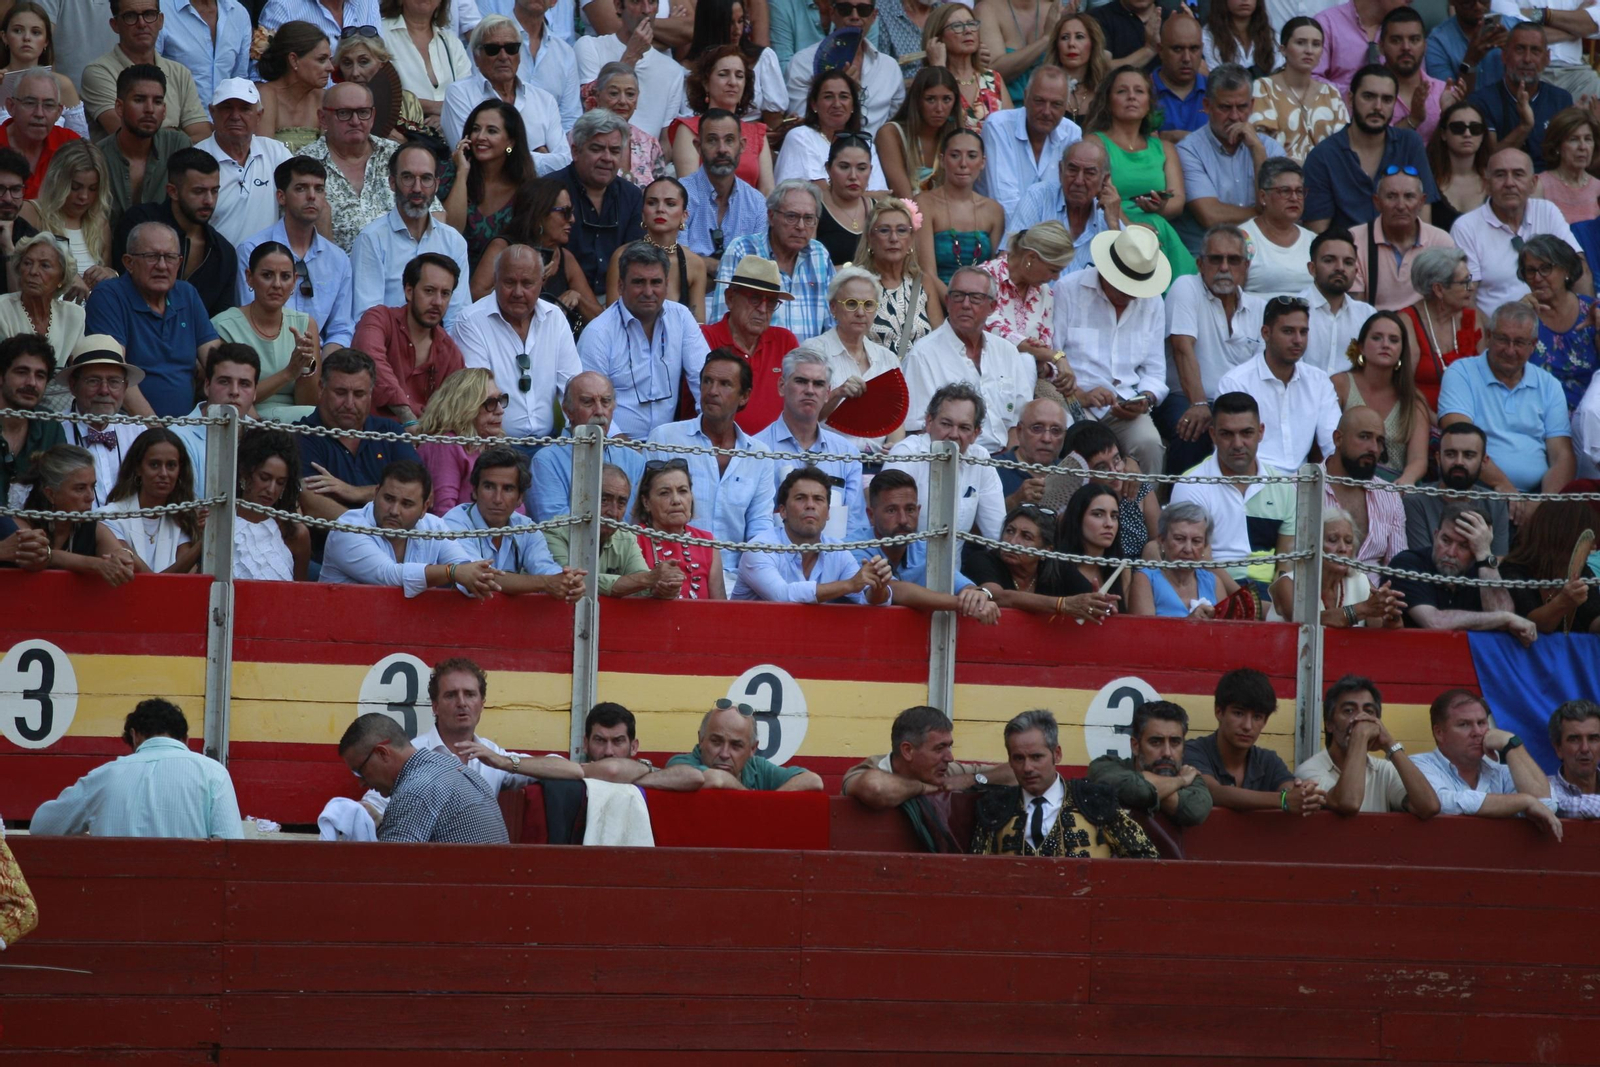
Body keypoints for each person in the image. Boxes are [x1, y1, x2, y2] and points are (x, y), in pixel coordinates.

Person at [644, 353, 776, 593]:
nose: (712, 391)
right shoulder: (665, 438)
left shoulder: (760, 455)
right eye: (707, 381)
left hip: (739, 580)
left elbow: (760, 529)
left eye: (725, 384)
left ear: (744, 396)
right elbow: (643, 513)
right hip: (673, 573)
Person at [29, 698, 241, 838]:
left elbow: (42, 827)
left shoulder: (106, 776)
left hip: (116, 899)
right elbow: (231, 847)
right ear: (185, 739)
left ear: (134, 735)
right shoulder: (213, 773)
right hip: (190, 899)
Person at [1054, 225, 1169, 477]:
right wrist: (1079, 393)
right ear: (1106, 271)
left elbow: (1156, 372)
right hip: (1075, 401)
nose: (1128, 294)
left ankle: (1142, 515)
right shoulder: (1068, 290)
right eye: (1122, 285)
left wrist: (1145, 399)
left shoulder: (1153, 302)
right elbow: (1053, 355)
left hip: (1126, 404)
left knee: (1150, 445)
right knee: (1081, 446)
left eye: (1133, 288)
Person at [969, 708, 1158, 858]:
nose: (1027, 767)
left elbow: (1145, 858)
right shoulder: (995, 808)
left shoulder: (1094, 800)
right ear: (1009, 760)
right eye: (1018, 758)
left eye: (1036, 757)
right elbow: (976, 872)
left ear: (1057, 754)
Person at [1159, 223, 1267, 475]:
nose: (1225, 267)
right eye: (1216, 259)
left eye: (1234, 260)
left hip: (1239, 404)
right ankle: (1181, 506)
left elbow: (1261, 369)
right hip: (1185, 397)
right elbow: (1182, 349)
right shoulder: (1186, 287)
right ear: (1200, 264)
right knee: (1193, 430)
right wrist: (1198, 403)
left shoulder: (1259, 308)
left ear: (1246, 267)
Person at [455, 244, 584, 453]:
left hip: (550, 445)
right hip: (493, 447)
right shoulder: (470, 321)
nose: (518, 292)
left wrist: (574, 444)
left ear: (542, 283)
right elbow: (478, 398)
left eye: (527, 283)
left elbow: (573, 388)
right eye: (509, 282)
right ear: (495, 280)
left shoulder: (555, 318)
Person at [1439, 301, 1575, 496]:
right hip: (1476, 490)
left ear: (1533, 345)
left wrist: (1541, 505)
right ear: (1488, 336)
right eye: (1502, 339)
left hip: (1536, 496)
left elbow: (1562, 456)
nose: (1510, 350)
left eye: (1519, 342)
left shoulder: (1549, 385)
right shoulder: (1461, 373)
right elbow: (1459, 440)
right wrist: (1506, 488)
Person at [84, 220, 219, 416]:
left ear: (179, 263)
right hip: (130, 426)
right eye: (152, 257)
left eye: (170, 257)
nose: (162, 266)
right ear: (128, 263)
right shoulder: (110, 296)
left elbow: (219, 362)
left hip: (186, 428)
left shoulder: (187, 294)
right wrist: (156, 429)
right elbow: (115, 372)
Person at [1171, 390, 1297, 599]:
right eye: (1227, 434)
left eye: (1246, 433)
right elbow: (1199, 560)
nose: (1237, 444)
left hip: (1270, 592)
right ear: (1212, 435)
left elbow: (1285, 561)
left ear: (1261, 432)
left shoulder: (1283, 486)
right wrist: (1248, 602)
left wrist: (1278, 602)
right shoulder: (1191, 484)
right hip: (1211, 588)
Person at [901, 264, 1034, 456]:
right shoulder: (922, 355)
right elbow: (919, 429)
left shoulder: (1007, 351)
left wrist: (1009, 462)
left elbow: (1020, 421)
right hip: (951, 460)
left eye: (976, 298)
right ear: (947, 301)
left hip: (1006, 460)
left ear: (992, 307)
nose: (965, 304)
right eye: (958, 296)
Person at [580, 242, 710, 438]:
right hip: (612, 446)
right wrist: (624, 448)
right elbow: (588, 405)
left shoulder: (681, 318)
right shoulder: (598, 333)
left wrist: (706, 434)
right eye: (639, 282)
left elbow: (705, 382)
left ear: (667, 285)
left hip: (667, 446)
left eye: (656, 282)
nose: (648, 292)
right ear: (621, 286)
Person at [320, 458, 503, 596]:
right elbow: (389, 576)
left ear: (424, 508)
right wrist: (452, 572)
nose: (394, 511)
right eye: (388, 499)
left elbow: (464, 567)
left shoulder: (433, 526)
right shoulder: (348, 528)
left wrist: (473, 577)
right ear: (376, 494)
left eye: (406, 504)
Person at [1085, 65, 1197, 281]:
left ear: (1149, 103)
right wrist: (1130, 226)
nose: (1131, 97)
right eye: (1122, 91)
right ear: (1108, 101)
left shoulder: (1164, 148)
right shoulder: (1095, 143)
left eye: (1139, 91)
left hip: (1156, 228)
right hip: (1110, 226)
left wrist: (1161, 206)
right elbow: (1098, 196)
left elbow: (1178, 201)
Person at [235, 156, 355, 352]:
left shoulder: (338, 259)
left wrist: (321, 370)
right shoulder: (251, 250)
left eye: (319, 189)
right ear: (281, 197)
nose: (311, 196)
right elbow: (249, 322)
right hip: (266, 357)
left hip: (320, 361)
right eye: (301, 188)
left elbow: (340, 329)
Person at [348, 148, 469, 338]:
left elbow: (458, 318)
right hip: (388, 349)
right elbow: (368, 320)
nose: (417, 189)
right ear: (392, 182)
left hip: (439, 352)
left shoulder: (453, 242)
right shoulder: (372, 239)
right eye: (408, 177)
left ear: (436, 184)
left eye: (426, 179)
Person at [853, 468, 1001, 623]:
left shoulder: (926, 548)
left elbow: (962, 585)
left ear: (918, 511)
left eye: (910, 509)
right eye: (891, 510)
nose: (903, 520)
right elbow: (894, 590)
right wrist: (963, 604)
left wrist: (977, 594)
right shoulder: (853, 547)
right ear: (871, 516)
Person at [338, 711, 510, 844]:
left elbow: (389, 873)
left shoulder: (414, 792)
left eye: (359, 771)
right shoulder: (449, 767)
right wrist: (381, 823)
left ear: (382, 753)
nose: (361, 783)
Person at [1303, 64, 1437, 234]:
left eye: (1387, 99)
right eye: (1368, 97)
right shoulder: (1323, 156)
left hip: (1404, 255)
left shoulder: (1410, 144)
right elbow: (1318, 237)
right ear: (1350, 99)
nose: (1378, 107)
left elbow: (1424, 225)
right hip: (1348, 256)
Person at [441, 446, 587, 600]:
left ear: (520, 498)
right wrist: (546, 582)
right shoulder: (454, 523)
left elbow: (545, 567)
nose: (497, 499)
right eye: (489, 487)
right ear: (475, 491)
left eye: (508, 489)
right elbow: (480, 577)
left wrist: (568, 582)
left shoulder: (526, 527)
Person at [295, 348, 421, 525]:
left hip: (395, 542)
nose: (349, 403)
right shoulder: (302, 435)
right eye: (340, 392)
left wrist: (354, 492)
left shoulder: (390, 431)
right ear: (321, 389)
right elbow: (312, 504)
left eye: (359, 394)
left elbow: (422, 493)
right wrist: (368, 533)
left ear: (371, 394)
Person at [1412, 688, 1562, 837]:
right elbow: (1441, 802)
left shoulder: (1501, 772)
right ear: (1439, 733)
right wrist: (1524, 801)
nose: (1477, 732)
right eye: (1464, 724)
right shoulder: (1418, 766)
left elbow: (1546, 804)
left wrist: (1512, 745)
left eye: (1482, 723)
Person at [111, 146, 238, 322]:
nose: (209, 200)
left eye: (214, 191)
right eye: (198, 191)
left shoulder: (223, 253)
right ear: (172, 191)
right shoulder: (139, 223)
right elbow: (121, 284)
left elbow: (221, 321)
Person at [1216, 293, 1339, 472]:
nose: (1298, 340)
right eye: (1288, 331)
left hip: (1303, 486)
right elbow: (1230, 453)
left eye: (1303, 332)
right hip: (1253, 483)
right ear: (1266, 333)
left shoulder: (1318, 381)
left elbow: (1334, 445)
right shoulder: (1235, 383)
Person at [732, 465, 890, 604]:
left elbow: (867, 598)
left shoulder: (838, 552)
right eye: (800, 498)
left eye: (818, 499)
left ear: (828, 512)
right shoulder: (759, 548)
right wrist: (849, 585)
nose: (810, 505)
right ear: (782, 511)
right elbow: (783, 596)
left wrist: (878, 587)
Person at [1450, 148, 1581, 315]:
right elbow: (1468, 295)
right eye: (1500, 175)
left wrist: (1583, 318)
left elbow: (1578, 264)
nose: (1509, 183)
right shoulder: (1466, 228)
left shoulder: (1547, 212)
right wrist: (1500, 328)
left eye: (1518, 174)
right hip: (1499, 333)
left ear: (1533, 183)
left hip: (1554, 322)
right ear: (1486, 184)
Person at [1387, 501, 1539, 644]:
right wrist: (1503, 618)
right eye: (1445, 540)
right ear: (1435, 535)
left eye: (1464, 546)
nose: (1451, 553)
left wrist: (1485, 555)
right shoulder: (1408, 563)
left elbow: (1506, 617)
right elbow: (1434, 622)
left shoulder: (1482, 570)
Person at [1175, 64, 1286, 255]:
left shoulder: (1269, 147)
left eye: (1242, 107)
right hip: (1208, 254)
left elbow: (1282, 206)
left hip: (1265, 251)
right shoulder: (1188, 150)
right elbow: (1211, 215)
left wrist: (1258, 151)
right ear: (1207, 106)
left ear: (1251, 105)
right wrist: (1266, 214)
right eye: (1225, 107)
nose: (1235, 116)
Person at [708, 180, 836, 343]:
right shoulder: (743, 250)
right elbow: (722, 321)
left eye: (809, 218)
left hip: (812, 363)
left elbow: (833, 323)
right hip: (757, 362)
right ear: (771, 216)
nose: (801, 226)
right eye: (792, 217)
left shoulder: (820, 255)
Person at [300, 81, 422, 252]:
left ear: (372, 116)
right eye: (344, 113)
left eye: (363, 112)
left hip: (402, 269)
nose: (355, 121)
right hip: (339, 273)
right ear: (323, 118)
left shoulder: (397, 156)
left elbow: (435, 214)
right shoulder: (304, 164)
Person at [1294, 675, 1439, 816]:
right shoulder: (1309, 770)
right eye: (1349, 711)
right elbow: (1348, 803)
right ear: (1330, 724)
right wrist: (1359, 738)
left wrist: (1390, 744)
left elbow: (1429, 806)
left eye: (1369, 712)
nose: (1360, 718)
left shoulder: (1384, 770)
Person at [1185, 667, 1323, 814]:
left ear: (1265, 721)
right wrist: (1283, 800)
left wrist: (1303, 794)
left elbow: (1288, 789)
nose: (1247, 726)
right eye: (1238, 713)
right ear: (1219, 712)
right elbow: (1214, 792)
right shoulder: (1193, 751)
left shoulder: (1268, 760)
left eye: (1257, 717)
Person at [439, 17, 566, 175]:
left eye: (511, 48)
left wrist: (504, 153)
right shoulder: (459, 94)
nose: (503, 56)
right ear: (476, 56)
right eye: (493, 49)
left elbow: (564, 162)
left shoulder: (544, 100)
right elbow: (471, 157)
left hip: (539, 196)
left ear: (519, 55)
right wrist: (535, 155)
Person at [884, 382, 1007, 540]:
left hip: (954, 565)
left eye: (964, 427)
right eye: (946, 424)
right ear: (929, 422)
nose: (954, 434)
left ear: (976, 433)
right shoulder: (906, 453)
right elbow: (891, 528)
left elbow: (996, 533)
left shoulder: (980, 458)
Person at [214, 241, 322, 420]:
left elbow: (308, 404)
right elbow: (231, 397)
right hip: (244, 417)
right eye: (267, 275)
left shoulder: (305, 325)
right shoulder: (225, 326)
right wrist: (288, 373)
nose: (277, 284)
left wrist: (304, 368)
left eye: (285, 276)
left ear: (295, 281)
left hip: (297, 419)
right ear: (249, 277)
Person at [354, 252, 464, 426]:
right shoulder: (379, 318)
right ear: (409, 291)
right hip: (366, 436)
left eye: (445, 294)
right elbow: (370, 362)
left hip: (422, 445)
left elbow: (454, 410)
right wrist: (407, 416)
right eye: (429, 291)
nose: (437, 302)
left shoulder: (450, 352)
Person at [796, 265, 900, 447]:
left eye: (868, 305)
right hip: (827, 460)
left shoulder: (888, 358)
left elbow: (896, 416)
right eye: (851, 304)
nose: (860, 313)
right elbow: (802, 416)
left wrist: (894, 447)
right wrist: (837, 394)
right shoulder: (813, 350)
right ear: (833, 308)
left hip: (879, 464)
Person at [545, 461, 684, 597]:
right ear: (582, 498)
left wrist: (664, 588)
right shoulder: (555, 531)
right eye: (604, 499)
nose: (613, 511)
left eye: (621, 503)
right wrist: (648, 580)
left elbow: (644, 585)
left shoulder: (626, 537)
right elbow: (570, 581)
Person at [960, 503, 1118, 621]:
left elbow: (1085, 600)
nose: (1012, 542)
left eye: (1026, 536)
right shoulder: (983, 560)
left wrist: (1101, 605)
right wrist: (1062, 605)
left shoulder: (1058, 569)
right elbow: (996, 596)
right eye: (1010, 531)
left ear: (1046, 551)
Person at [80, 0, 210, 141]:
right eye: (130, 16)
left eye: (149, 14)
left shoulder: (180, 73)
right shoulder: (98, 73)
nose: (141, 23)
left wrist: (162, 137)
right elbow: (128, 138)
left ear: (160, 20)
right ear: (115, 24)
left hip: (178, 163)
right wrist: (178, 134)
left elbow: (202, 135)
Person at [473, 176, 602, 317]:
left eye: (571, 212)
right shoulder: (502, 248)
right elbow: (474, 298)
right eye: (564, 212)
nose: (572, 219)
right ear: (540, 215)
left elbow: (600, 319)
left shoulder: (564, 257)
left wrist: (578, 298)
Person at [525, 371, 645, 521]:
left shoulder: (634, 460)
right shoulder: (546, 461)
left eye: (606, 401)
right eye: (588, 402)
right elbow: (554, 526)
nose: (599, 411)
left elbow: (637, 522)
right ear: (568, 411)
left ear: (613, 407)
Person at [12, 442, 137, 585]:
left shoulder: (95, 529)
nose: (91, 497)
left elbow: (120, 560)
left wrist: (124, 556)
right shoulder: (21, 526)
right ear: (51, 494)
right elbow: (39, 557)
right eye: (80, 489)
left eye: (93, 486)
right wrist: (96, 564)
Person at [702, 254, 801, 433]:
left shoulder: (785, 341)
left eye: (771, 302)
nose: (763, 309)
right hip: (712, 447)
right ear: (730, 298)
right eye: (755, 298)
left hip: (775, 454)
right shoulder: (704, 338)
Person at [842, 705, 1009, 809]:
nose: (950, 757)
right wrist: (923, 788)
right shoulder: (870, 769)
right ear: (908, 751)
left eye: (949, 746)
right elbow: (875, 788)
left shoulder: (948, 771)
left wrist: (971, 779)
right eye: (939, 748)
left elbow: (1016, 773)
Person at [555, 108, 646, 298]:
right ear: (575, 151)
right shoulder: (550, 191)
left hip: (618, 298)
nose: (607, 158)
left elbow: (634, 260)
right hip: (560, 298)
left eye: (614, 151)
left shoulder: (632, 196)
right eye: (597, 149)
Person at [1331, 310, 1430, 482]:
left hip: (1393, 488)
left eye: (1394, 340)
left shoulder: (1413, 400)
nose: (1385, 345)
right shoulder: (1340, 385)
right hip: (1343, 481)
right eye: (1377, 338)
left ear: (1401, 350)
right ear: (1361, 346)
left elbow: (1418, 459)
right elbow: (1326, 444)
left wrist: (1407, 480)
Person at [574, 0, 690, 143]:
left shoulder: (672, 70)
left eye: (652, 2)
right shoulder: (590, 47)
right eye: (636, 2)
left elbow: (666, 141)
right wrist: (631, 55)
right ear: (618, 6)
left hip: (650, 161)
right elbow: (591, 111)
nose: (646, 10)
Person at [1465, 22, 1573, 174]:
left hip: (1551, 185)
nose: (1527, 59)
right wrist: (1524, 127)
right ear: (1504, 55)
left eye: (1535, 51)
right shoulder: (1482, 101)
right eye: (1520, 49)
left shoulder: (1561, 100)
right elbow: (1488, 162)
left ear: (1547, 58)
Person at [977, 221, 1074, 388]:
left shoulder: (1045, 293)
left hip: (1030, 383)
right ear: (1030, 258)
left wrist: (1043, 362)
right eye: (1053, 270)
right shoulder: (983, 278)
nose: (1057, 278)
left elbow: (1046, 349)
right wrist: (1054, 356)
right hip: (985, 376)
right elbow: (994, 331)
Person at [1088, 699, 1213, 826]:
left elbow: (1196, 811)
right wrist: (1181, 780)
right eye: (1156, 742)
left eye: (1175, 742)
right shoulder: (1106, 766)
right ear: (1135, 746)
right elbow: (1134, 789)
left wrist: (1141, 789)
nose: (1167, 753)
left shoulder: (1192, 776)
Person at [96, 65, 193, 227]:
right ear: (119, 107)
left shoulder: (178, 145)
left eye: (157, 101)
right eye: (139, 100)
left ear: (164, 110)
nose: (149, 109)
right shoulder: (98, 157)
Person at [913, 126, 1008, 294]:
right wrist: (955, 306)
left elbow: (995, 272)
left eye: (972, 156)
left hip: (980, 303)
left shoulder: (994, 210)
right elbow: (927, 273)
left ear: (983, 162)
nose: (963, 164)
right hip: (933, 299)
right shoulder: (924, 204)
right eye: (955, 155)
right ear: (942, 160)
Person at [1006, 137, 1122, 273]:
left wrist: (1114, 224)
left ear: (1105, 179)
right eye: (1072, 170)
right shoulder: (1038, 197)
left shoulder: (1107, 216)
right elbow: (1011, 259)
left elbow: (1125, 277)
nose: (1079, 181)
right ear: (1060, 171)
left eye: (1089, 173)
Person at [976, 67, 1077, 222]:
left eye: (1056, 104)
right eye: (1039, 101)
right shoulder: (998, 126)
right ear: (1025, 97)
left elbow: (1071, 201)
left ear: (1066, 106)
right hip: (1003, 237)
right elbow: (1005, 203)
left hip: (1053, 238)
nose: (1046, 111)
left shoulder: (1072, 133)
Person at [51, 337, 144, 506]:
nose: (104, 390)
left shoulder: (137, 432)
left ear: (125, 387)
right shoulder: (55, 431)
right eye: (93, 381)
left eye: (114, 382)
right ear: (73, 385)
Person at [669, 44, 774, 193]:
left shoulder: (757, 133)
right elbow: (689, 190)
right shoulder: (688, 129)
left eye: (739, 76)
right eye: (723, 74)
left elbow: (768, 191)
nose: (732, 82)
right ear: (706, 83)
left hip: (751, 214)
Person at [1350, 167, 1455, 313]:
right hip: (1375, 330)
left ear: (1421, 202)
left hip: (1425, 331)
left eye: (1409, 196)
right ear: (1377, 202)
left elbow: (1458, 294)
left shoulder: (1441, 242)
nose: (1400, 205)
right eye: (1391, 196)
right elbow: (1355, 310)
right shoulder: (1355, 240)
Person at [101, 426, 202, 573]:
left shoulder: (182, 518)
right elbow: (148, 583)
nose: (163, 473)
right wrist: (202, 544)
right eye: (154, 465)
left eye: (171, 465)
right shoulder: (109, 518)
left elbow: (184, 579)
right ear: (138, 468)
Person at [604, 177, 708, 319]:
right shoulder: (622, 256)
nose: (660, 209)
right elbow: (612, 320)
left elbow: (698, 326)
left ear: (684, 216)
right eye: (652, 203)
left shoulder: (694, 264)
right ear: (643, 213)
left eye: (670, 204)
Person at [1402, 420, 1510, 557]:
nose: (1459, 461)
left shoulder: (1496, 503)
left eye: (1468, 455)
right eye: (1450, 454)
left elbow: (1496, 562)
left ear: (1484, 462)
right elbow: (1424, 563)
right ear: (1438, 459)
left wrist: (1483, 552)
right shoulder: (1416, 502)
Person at [1516, 235, 1597, 414]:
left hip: (1591, 413)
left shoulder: (1590, 311)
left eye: (1546, 268)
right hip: (1538, 414)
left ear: (1566, 269)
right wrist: (1516, 321)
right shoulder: (1522, 316)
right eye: (1530, 271)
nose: (1537, 278)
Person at [21, 140, 114, 296]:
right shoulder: (30, 213)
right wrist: (63, 278)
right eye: (75, 187)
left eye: (93, 189)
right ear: (57, 181)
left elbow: (106, 279)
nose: (84, 196)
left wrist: (111, 275)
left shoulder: (100, 222)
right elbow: (16, 275)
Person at [666, 700, 824, 791]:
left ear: (753, 749)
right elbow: (716, 779)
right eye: (716, 742)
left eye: (736, 745)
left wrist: (765, 804)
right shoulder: (680, 764)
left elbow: (813, 780)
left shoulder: (757, 767)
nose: (725, 754)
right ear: (701, 740)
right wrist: (752, 799)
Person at [772, 69, 889, 190]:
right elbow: (820, 196)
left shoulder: (865, 143)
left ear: (853, 105)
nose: (837, 104)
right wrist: (867, 197)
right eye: (828, 97)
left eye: (844, 97)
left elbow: (882, 199)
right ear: (814, 105)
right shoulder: (800, 137)